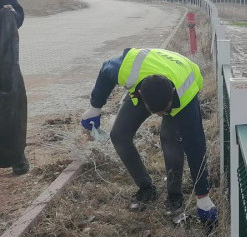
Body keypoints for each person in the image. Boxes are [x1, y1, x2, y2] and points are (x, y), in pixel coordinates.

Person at [80, 48, 217, 227]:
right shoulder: (127, 70)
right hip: (147, 82)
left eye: (165, 111)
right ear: (141, 95)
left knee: (170, 138)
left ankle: (174, 196)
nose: (161, 115)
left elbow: (195, 144)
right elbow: (106, 70)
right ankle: (146, 188)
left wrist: (203, 195)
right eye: (157, 112)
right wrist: (95, 106)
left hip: (180, 80)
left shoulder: (185, 93)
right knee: (119, 135)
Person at [0, 0, 28, 175]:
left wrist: (12, 15)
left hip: (4, 60)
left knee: (11, 107)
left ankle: (17, 157)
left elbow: (18, 15)